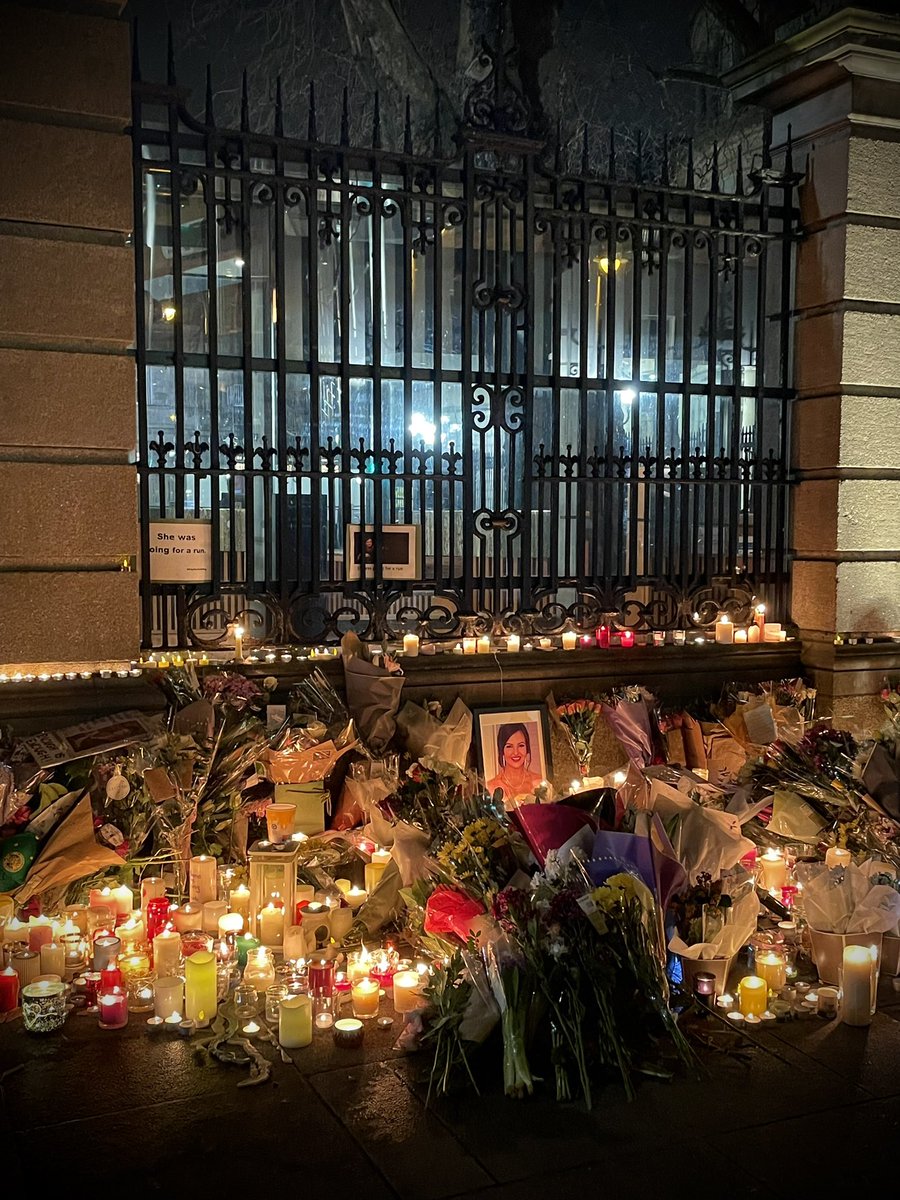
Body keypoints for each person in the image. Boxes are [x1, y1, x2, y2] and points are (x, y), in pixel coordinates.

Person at [486, 722, 543, 803]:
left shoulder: (539, 782)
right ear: (502, 750)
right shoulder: (491, 787)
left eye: (521, 745)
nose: (516, 752)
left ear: (527, 748)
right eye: (509, 746)